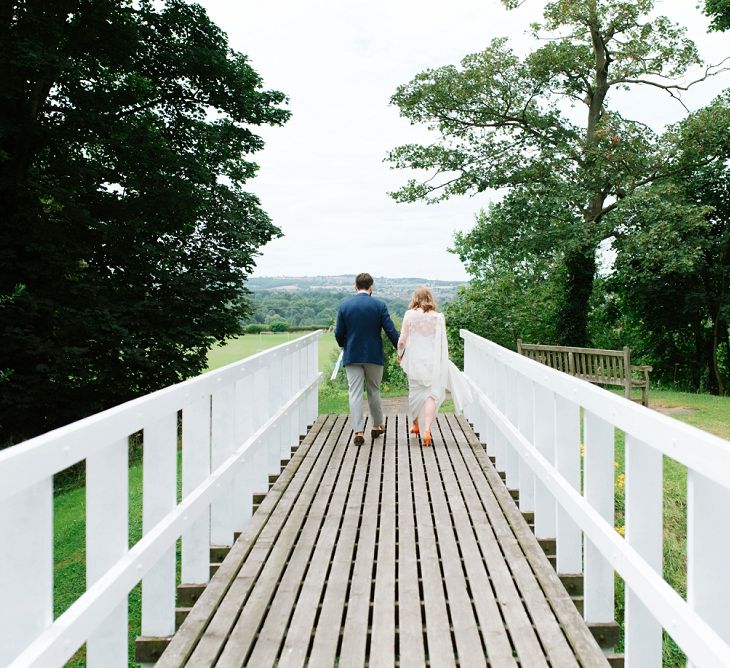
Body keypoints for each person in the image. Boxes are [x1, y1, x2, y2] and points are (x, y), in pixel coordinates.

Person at [334, 273, 400, 445]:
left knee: (354, 392)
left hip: (352, 355)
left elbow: (338, 333)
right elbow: (390, 331)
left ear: (355, 286)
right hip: (373, 355)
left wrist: (344, 345)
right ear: (371, 287)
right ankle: (377, 425)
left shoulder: (345, 306)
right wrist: (400, 349)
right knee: (374, 390)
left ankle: (358, 431)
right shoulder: (379, 305)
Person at [397, 286, 449, 447]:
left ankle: (415, 425)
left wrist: (400, 354)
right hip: (432, 362)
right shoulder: (438, 317)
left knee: (414, 394)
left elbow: (402, 339)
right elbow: (442, 343)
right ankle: (427, 429)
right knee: (431, 396)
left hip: (415, 361)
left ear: (415, 298)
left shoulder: (409, 315)